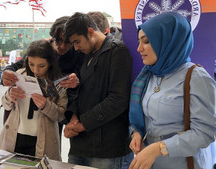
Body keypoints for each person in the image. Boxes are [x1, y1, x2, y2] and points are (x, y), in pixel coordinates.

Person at [128, 12, 216, 169]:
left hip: (183, 162)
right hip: (153, 162)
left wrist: (160, 148)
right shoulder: (150, 74)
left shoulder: (196, 77)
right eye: (139, 41)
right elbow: (147, 117)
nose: (139, 48)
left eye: (146, 41)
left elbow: (205, 132)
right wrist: (137, 133)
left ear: (169, 42)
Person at [63, 12, 133, 169]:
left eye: (77, 41)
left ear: (90, 32)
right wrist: (73, 118)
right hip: (80, 143)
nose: (76, 47)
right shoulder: (87, 55)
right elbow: (82, 92)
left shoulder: (118, 51)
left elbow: (118, 99)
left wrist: (82, 124)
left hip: (107, 146)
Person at [1, 16, 84, 124]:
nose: (63, 46)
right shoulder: (41, 48)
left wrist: (76, 84)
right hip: (26, 108)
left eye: (68, 42)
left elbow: (82, 83)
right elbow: (16, 67)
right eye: (59, 40)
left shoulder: (77, 54)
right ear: (53, 36)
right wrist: (6, 74)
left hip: (58, 107)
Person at [0, 40, 68, 161]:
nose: (36, 70)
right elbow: (6, 105)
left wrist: (46, 105)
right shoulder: (19, 75)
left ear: (50, 62)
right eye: (31, 64)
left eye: (41, 65)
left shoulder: (58, 82)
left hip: (44, 141)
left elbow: (60, 116)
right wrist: (9, 95)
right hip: (15, 136)